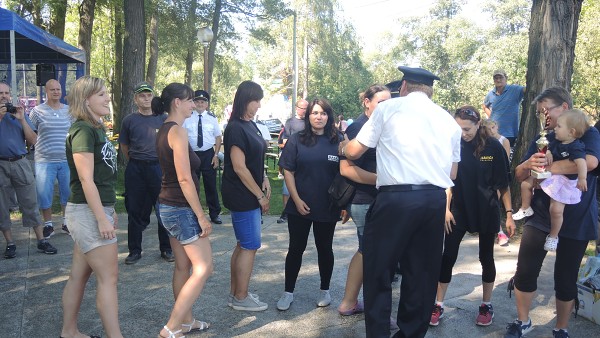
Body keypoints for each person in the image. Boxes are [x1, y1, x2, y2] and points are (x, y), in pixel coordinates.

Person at [341, 66, 462, 338]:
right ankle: (410, 334)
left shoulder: (388, 109)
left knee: (379, 268)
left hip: (396, 198)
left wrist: (343, 147)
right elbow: (452, 173)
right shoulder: (448, 121)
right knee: (422, 273)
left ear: (404, 86)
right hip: (433, 199)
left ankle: (379, 333)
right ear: (430, 90)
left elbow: (355, 150)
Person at [504, 87, 600, 338]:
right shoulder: (544, 137)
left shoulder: (588, 133)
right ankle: (523, 321)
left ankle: (561, 328)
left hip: (575, 218)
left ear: (564, 108)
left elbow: (589, 162)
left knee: (566, 278)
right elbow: (519, 174)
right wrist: (527, 164)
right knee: (525, 270)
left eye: (546, 110)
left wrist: (547, 169)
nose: (543, 116)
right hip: (539, 216)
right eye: (540, 112)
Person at [429, 106, 514, 328]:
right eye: (458, 129)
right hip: (458, 209)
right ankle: (438, 304)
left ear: (478, 125)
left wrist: (509, 214)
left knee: (486, 257)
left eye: (467, 129)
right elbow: (448, 181)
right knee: (448, 256)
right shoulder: (453, 144)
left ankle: (486, 305)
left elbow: (503, 184)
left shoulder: (493, 146)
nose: (462, 133)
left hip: (486, 209)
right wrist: (446, 209)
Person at [61, 76, 121, 338]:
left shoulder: (95, 128)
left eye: (106, 93)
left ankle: (69, 332)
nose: (108, 97)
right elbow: (86, 179)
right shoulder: (83, 130)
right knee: (109, 278)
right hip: (87, 212)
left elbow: (101, 177)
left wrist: (109, 210)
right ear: (86, 100)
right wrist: (101, 218)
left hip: (92, 210)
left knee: (79, 276)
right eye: (101, 95)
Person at [155, 83, 213, 338]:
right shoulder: (177, 132)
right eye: (190, 100)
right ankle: (171, 326)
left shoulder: (164, 129)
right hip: (179, 208)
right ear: (177, 102)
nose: (193, 104)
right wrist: (201, 216)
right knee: (203, 267)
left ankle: (186, 321)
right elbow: (184, 178)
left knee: (182, 266)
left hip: (167, 205)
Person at [276, 97, 342, 311]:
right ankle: (288, 292)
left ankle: (325, 290)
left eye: (323, 113)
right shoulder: (297, 139)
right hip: (300, 205)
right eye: (315, 113)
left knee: (325, 249)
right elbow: (288, 170)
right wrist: (295, 199)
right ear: (308, 115)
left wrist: (344, 204)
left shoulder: (338, 140)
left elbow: (346, 173)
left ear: (328, 116)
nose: (319, 117)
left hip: (328, 206)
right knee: (296, 248)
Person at [338, 85, 391, 317]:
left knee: (366, 251)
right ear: (366, 102)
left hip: (376, 199)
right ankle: (375, 311)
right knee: (374, 254)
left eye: (390, 101)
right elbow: (346, 169)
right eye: (381, 102)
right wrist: (385, 180)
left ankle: (349, 303)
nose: (386, 106)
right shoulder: (359, 127)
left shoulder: (381, 124)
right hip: (365, 200)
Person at [221, 80, 270, 312]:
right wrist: (260, 196)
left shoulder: (250, 124)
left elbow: (255, 159)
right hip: (242, 195)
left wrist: (265, 178)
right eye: (256, 100)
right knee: (250, 245)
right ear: (244, 99)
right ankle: (241, 297)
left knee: (243, 245)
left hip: (249, 191)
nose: (259, 105)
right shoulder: (236, 128)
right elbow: (239, 167)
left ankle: (236, 293)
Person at [513, 109, 589, 252]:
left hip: (564, 183)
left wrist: (582, 178)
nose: (555, 128)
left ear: (571, 132)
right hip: (551, 176)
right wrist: (547, 152)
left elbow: (582, 163)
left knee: (555, 210)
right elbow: (547, 149)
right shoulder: (554, 139)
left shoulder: (576, 146)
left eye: (559, 126)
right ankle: (525, 208)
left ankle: (553, 236)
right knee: (526, 183)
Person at [0, 81, 57, 259]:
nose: (4, 96)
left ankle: (41, 240)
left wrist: (22, 119)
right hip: (0, 164)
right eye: (0, 93)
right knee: (1, 206)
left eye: (7, 93)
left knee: (30, 202)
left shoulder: (17, 115)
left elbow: (33, 140)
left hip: (21, 162)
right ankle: (10, 243)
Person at [118, 82, 173, 264]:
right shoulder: (129, 120)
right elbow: (124, 146)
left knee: (162, 209)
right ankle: (134, 250)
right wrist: (135, 160)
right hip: (136, 169)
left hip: (158, 168)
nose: (146, 98)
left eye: (149, 95)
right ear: (135, 99)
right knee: (134, 209)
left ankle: (166, 248)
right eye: (142, 95)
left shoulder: (163, 118)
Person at [29, 79, 72, 238]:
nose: (56, 92)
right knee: (44, 194)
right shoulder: (37, 111)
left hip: (66, 160)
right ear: (46, 91)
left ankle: (66, 222)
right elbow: (30, 133)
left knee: (67, 192)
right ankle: (48, 224)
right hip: (44, 160)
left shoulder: (69, 111)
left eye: (58, 89)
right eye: (52, 89)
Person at [182, 90, 223, 224]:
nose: (200, 104)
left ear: (207, 104)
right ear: (193, 103)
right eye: (197, 101)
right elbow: (182, 136)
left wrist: (216, 155)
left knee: (210, 185)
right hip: (192, 154)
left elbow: (218, 137)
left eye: (203, 102)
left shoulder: (212, 118)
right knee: (192, 185)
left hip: (208, 154)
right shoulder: (187, 117)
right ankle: (193, 212)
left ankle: (214, 213)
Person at [276, 98, 308, 224]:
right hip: (292, 156)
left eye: (306, 108)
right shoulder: (290, 122)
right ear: (297, 108)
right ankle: (286, 212)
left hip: (306, 158)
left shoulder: (309, 122)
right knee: (287, 186)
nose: (304, 110)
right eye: (302, 108)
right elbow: (285, 141)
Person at [482, 119, 512, 246]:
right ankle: (497, 230)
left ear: (497, 126)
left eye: (493, 127)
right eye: (489, 129)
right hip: (487, 177)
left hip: (500, 176)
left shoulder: (503, 140)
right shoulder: (483, 142)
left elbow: (503, 161)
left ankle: (499, 229)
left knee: (497, 197)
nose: (492, 131)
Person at [483, 69, 525, 147]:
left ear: (506, 78)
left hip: (510, 133)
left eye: (501, 77)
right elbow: (484, 106)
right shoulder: (490, 94)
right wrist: (491, 117)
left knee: (508, 157)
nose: (498, 80)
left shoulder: (514, 89)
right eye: (496, 78)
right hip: (493, 132)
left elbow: (527, 90)